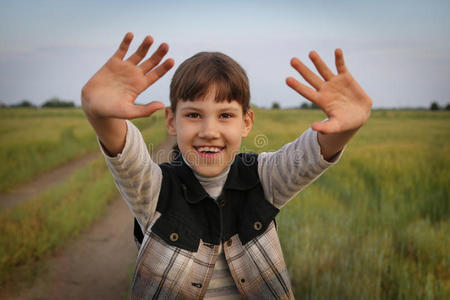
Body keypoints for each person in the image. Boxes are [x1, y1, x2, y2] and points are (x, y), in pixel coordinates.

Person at [81, 32, 372, 299]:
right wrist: (101, 115)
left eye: (225, 115)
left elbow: (308, 156)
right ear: (171, 121)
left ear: (246, 123)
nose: (209, 130)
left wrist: (347, 125)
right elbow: (126, 156)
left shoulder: (264, 178)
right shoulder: (155, 191)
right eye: (194, 115)